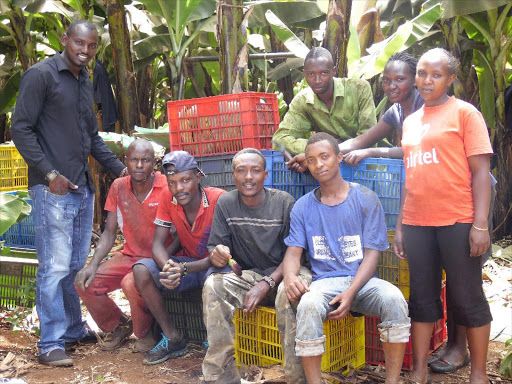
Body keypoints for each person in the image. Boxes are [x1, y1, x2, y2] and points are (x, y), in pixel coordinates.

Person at [10, 20, 127, 366]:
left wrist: (121, 170)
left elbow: (91, 138)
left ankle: (73, 330)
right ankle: (49, 344)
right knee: (54, 267)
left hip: (82, 187)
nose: (85, 51)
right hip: (54, 189)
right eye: (79, 43)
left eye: (91, 46)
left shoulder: (85, 79)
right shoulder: (41, 75)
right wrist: (50, 175)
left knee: (75, 265)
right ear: (65, 40)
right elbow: (21, 128)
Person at [393, 48, 493, 384]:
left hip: (458, 221)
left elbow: (481, 173)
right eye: (422, 73)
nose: (426, 80)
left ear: (451, 79)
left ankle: (478, 375)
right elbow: (409, 175)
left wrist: (480, 225)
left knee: (467, 298)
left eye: (436, 74)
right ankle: (420, 369)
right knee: (421, 297)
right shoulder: (410, 121)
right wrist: (400, 228)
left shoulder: (464, 114)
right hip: (418, 223)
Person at [282, 132, 411, 384]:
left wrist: (351, 292)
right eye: (311, 160)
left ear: (339, 157)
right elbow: (293, 253)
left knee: (394, 299)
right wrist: (289, 276)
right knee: (308, 305)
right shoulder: (303, 207)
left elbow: (372, 255)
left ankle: (392, 381)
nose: (319, 164)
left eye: (324, 156)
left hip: (362, 282)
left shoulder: (365, 198)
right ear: (306, 165)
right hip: (324, 283)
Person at [201, 148, 298, 384]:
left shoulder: (283, 203)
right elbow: (215, 249)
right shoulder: (226, 203)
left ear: (266, 175)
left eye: (255, 171)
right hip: (251, 276)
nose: (248, 177)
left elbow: (295, 255)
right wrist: (218, 254)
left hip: (286, 273)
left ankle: (297, 377)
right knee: (214, 284)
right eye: (242, 171)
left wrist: (268, 283)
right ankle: (219, 375)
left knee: (290, 291)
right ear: (233, 175)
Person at [74, 139, 169, 353]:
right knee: (84, 282)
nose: (139, 165)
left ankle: (145, 334)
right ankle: (118, 325)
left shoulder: (165, 186)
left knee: (131, 282)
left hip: (157, 258)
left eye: (145, 160)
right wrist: (92, 264)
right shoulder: (119, 187)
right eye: (134, 160)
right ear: (126, 162)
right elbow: (109, 233)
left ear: (154, 163)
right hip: (130, 255)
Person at [133, 150, 225, 365]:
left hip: (215, 266)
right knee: (141, 270)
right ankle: (173, 338)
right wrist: (169, 268)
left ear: (198, 178)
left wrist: (182, 270)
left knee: (217, 276)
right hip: (189, 263)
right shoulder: (168, 196)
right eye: (172, 183)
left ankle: (217, 340)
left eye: (185, 180)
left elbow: (221, 256)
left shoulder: (218, 199)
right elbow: (157, 244)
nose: (179, 189)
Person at [272, 47, 377, 173]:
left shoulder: (358, 89)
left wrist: (319, 151)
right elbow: (279, 138)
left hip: (362, 165)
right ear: (304, 74)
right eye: (311, 74)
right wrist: (315, 149)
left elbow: (369, 137)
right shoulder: (304, 100)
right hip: (326, 167)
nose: (317, 80)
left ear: (334, 71)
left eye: (324, 73)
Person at [339, 52, 422, 166]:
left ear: (414, 80)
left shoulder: (425, 105)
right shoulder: (396, 111)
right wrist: (322, 152)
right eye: (386, 80)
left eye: (400, 79)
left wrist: (370, 152)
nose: (391, 86)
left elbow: (417, 148)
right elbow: (359, 141)